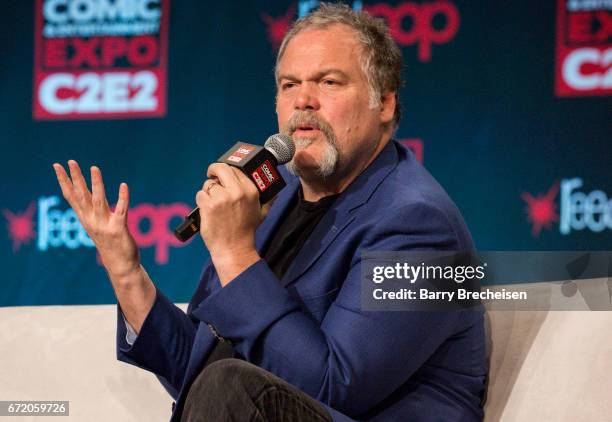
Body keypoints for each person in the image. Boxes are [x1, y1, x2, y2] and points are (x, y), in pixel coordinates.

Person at [53, 4, 487, 421]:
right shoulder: (272, 202)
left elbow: (332, 388)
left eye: (329, 82)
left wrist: (236, 254)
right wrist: (126, 270)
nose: (304, 101)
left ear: (385, 103)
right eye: (288, 85)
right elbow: (200, 374)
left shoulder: (420, 228)